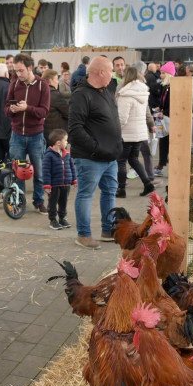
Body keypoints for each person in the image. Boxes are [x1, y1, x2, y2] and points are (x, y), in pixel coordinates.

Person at [68, 56, 122, 249]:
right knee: (85, 194)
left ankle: (108, 230)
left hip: (110, 156)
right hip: (90, 157)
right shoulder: (81, 95)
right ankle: (83, 235)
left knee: (109, 192)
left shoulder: (107, 90)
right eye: (110, 71)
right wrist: (96, 148)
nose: (113, 75)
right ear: (100, 72)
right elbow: (75, 129)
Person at [5, 53, 51, 213]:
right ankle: (20, 200)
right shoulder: (14, 84)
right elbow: (5, 109)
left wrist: (27, 108)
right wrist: (11, 109)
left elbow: (44, 111)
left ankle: (38, 201)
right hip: (16, 135)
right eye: (16, 71)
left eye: (21, 71)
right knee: (18, 171)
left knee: (38, 172)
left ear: (30, 68)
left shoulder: (42, 85)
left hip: (36, 136)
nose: (18, 74)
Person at [155, 61, 193, 176]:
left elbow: (188, 102)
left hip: (177, 121)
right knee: (164, 141)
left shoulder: (181, 84)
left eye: (163, 73)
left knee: (177, 145)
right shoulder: (166, 87)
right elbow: (166, 103)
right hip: (167, 121)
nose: (161, 76)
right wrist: (160, 108)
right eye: (161, 73)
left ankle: (181, 168)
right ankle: (162, 165)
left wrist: (183, 114)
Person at [115, 66, 154, 198]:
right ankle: (148, 183)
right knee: (133, 159)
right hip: (139, 133)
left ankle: (121, 189)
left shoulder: (125, 94)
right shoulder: (143, 92)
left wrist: (115, 130)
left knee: (120, 161)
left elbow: (122, 118)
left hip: (126, 134)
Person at [42, 128, 76, 230]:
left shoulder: (67, 154)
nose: (67, 142)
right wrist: (47, 185)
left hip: (66, 184)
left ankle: (62, 218)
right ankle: (53, 220)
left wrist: (74, 179)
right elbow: (46, 171)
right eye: (65, 140)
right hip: (54, 185)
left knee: (63, 202)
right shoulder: (48, 155)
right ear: (58, 143)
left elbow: (72, 167)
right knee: (52, 202)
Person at [42, 68, 69, 141]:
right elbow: (68, 113)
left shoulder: (40, 93)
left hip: (43, 132)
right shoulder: (55, 94)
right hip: (56, 134)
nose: (58, 82)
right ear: (50, 81)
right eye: (56, 79)